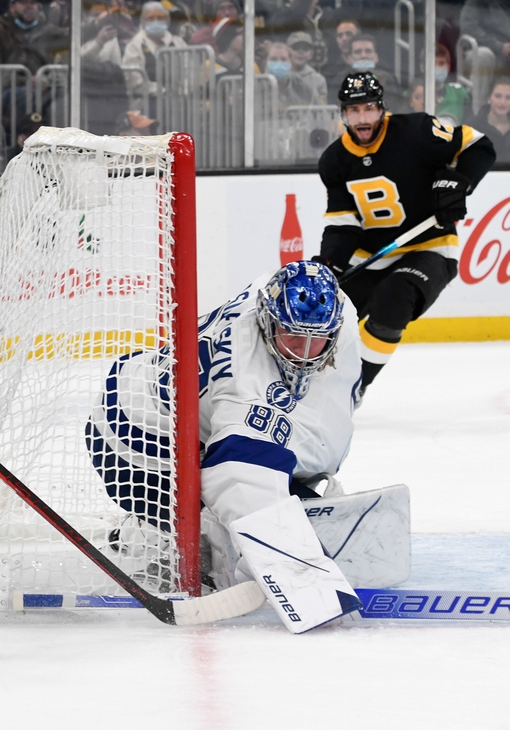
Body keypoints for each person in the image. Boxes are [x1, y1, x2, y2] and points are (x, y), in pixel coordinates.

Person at [88, 261, 364, 633]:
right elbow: (237, 479)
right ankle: (153, 536)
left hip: (184, 419)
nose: (305, 352)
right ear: (268, 322)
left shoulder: (319, 310)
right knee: (218, 548)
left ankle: (162, 525)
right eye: (293, 337)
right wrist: (288, 566)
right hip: (130, 442)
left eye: (318, 340)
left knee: (282, 494)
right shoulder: (243, 378)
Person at [314, 73, 496, 392]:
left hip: (429, 246)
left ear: (382, 109)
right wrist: (330, 263)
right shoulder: (334, 160)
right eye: (353, 111)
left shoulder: (417, 132)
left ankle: (354, 387)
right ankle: (305, 385)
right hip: (370, 257)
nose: (362, 118)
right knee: (325, 314)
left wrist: (457, 182)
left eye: (368, 109)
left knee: (394, 300)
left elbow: (479, 146)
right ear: (342, 114)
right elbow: (343, 225)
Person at [121, 0, 186, 108]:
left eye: (160, 18)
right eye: (150, 18)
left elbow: (189, 70)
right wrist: (164, 92)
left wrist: (184, 90)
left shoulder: (178, 43)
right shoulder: (134, 46)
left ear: (167, 21)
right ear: (143, 21)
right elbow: (135, 81)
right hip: (147, 105)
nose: (156, 22)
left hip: (181, 103)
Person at [330, 32, 405, 114]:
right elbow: (335, 110)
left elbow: (396, 108)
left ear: (376, 57)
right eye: (358, 52)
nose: (363, 55)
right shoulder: (339, 81)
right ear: (349, 58)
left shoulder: (388, 79)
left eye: (368, 51)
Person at [469, 75, 510, 162]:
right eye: (498, 96)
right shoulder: (472, 127)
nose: (502, 102)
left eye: (508, 98)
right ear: (489, 98)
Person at [286, 31, 326, 105]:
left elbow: (322, 109)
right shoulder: (281, 76)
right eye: (296, 48)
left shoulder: (319, 80)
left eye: (305, 49)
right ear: (287, 51)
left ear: (311, 54)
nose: (300, 52)